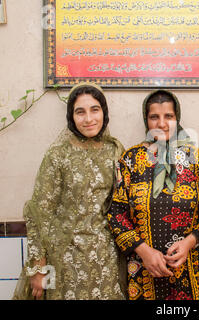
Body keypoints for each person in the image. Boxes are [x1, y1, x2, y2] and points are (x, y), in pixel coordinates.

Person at [13, 83, 126, 300]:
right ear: (71, 117)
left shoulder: (115, 150)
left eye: (95, 109)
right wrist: (39, 267)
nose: (88, 119)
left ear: (104, 112)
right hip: (65, 260)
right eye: (80, 112)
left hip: (106, 260)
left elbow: (121, 204)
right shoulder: (58, 155)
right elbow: (39, 213)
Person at [107, 89, 199, 300]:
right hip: (143, 272)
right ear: (146, 120)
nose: (162, 124)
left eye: (168, 116)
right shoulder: (130, 161)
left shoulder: (197, 161)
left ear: (177, 118)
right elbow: (116, 214)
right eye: (154, 117)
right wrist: (144, 252)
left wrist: (189, 242)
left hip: (190, 272)